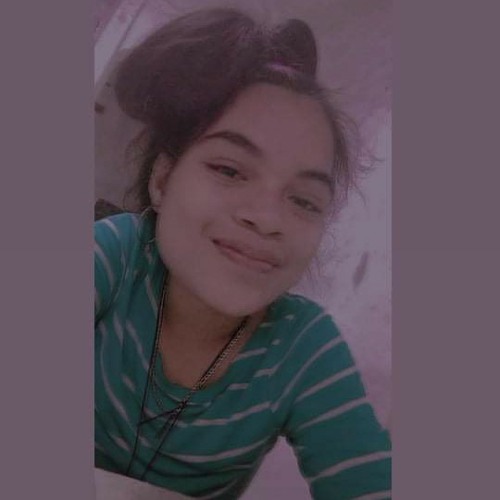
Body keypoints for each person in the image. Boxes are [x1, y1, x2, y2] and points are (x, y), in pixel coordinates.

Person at [94, 7, 391, 499]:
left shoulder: (303, 347)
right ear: (164, 180)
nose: (268, 219)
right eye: (229, 170)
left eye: (304, 201)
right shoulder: (117, 256)